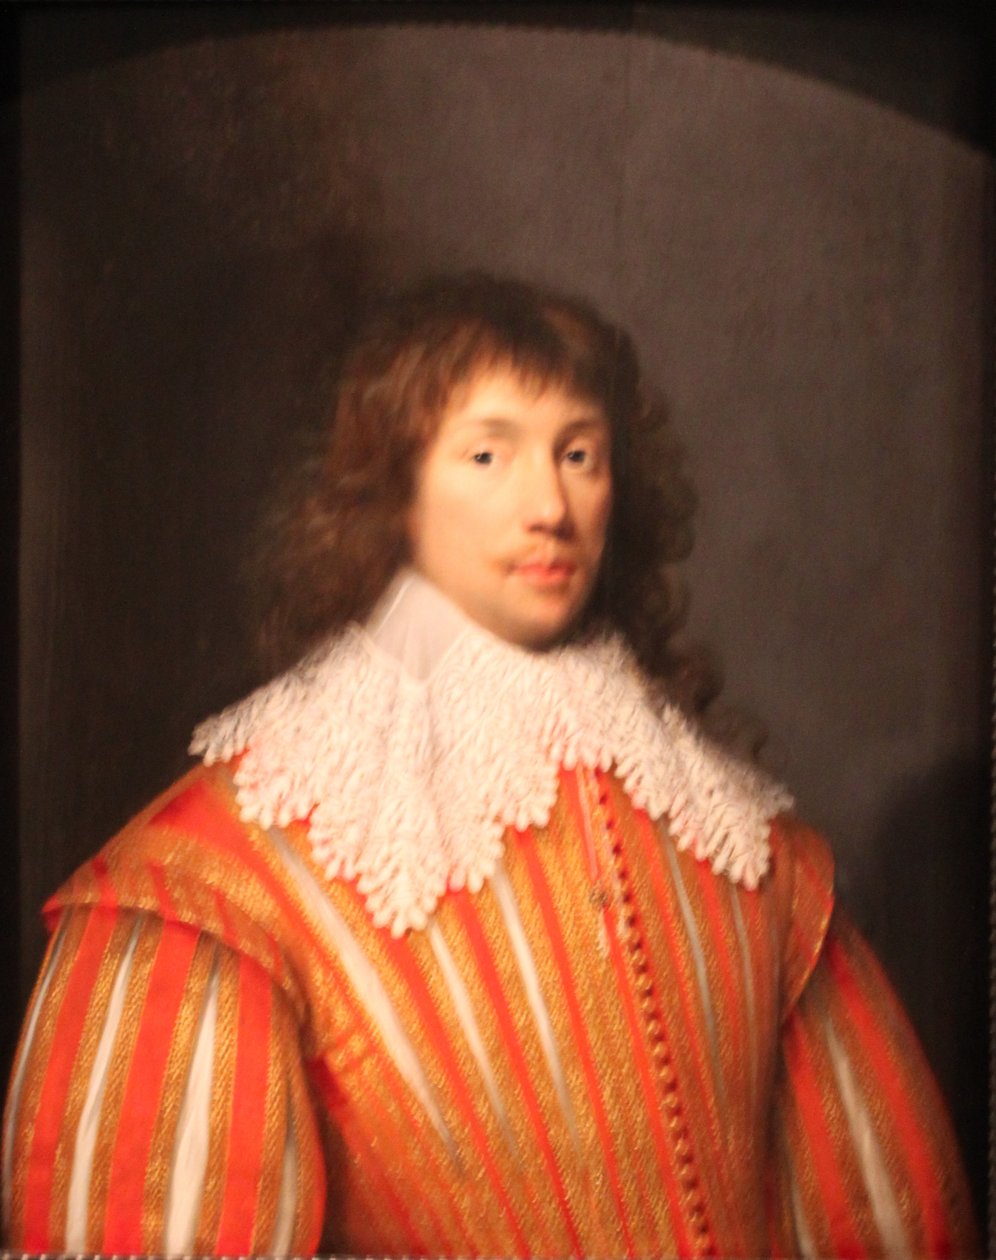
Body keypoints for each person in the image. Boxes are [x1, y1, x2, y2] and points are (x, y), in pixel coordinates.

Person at [2, 274, 978, 1258]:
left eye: (579, 455)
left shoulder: (747, 847)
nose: (549, 505)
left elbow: (885, 1222)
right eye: (488, 454)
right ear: (397, 491)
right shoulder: (216, 874)